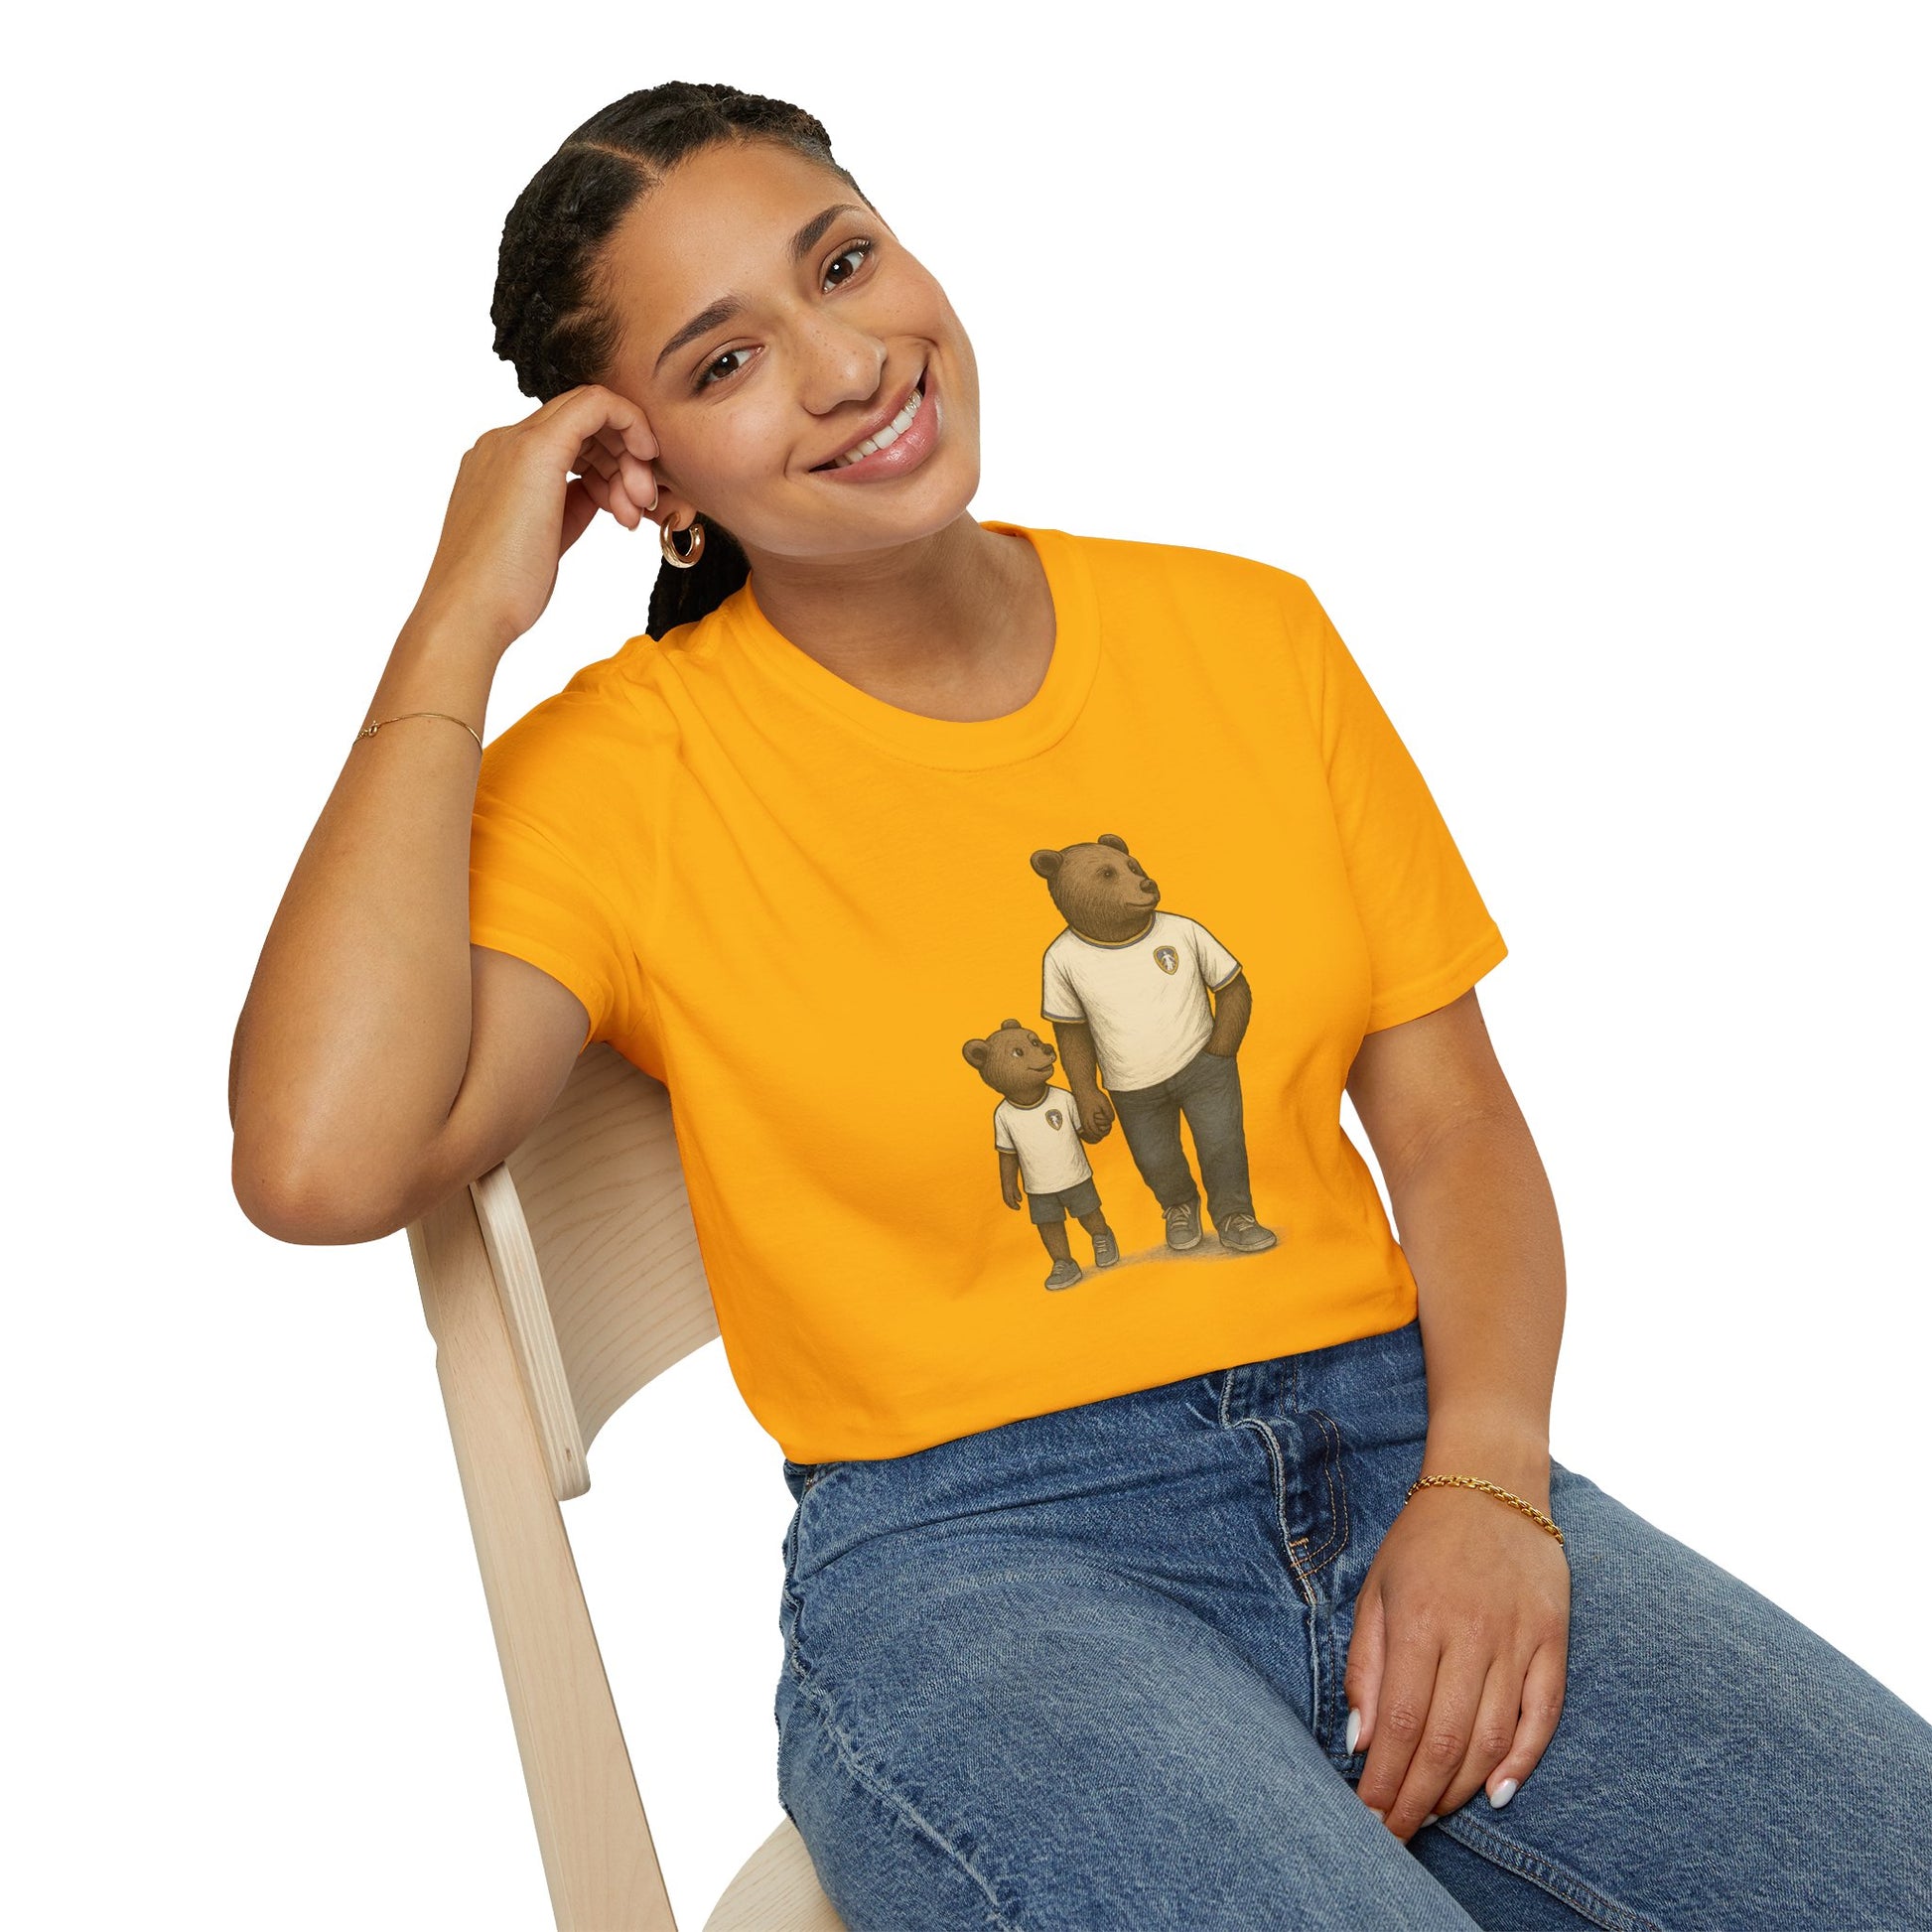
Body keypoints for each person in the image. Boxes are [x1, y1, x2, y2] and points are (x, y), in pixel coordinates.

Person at [227, 81, 1932, 1930]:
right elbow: (320, 1159)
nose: (847, 362)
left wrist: (1491, 1483)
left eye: (846, 262)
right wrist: (456, 618)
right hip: (980, 1563)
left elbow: (1450, 1128)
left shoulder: (1248, 634)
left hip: (1401, 1443)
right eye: (725, 363)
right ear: (645, 478)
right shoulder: (623, 775)